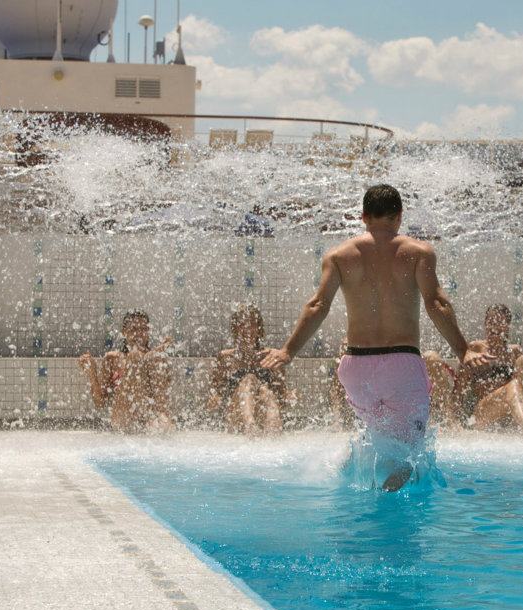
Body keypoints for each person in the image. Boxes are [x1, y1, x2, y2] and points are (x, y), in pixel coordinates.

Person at [260, 184, 491, 491]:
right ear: (399, 216)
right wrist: (463, 351)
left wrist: (288, 350)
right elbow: (436, 303)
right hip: (401, 365)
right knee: (410, 455)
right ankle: (384, 511)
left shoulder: (340, 256)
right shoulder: (419, 253)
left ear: (364, 216)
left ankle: (343, 482)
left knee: (375, 436)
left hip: (356, 367)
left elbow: (317, 305)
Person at [426, 304, 523, 432]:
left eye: (499, 322)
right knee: (513, 385)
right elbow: (459, 392)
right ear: (485, 324)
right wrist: (456, 424)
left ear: (507, 326)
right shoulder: (475, 349)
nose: (494, 326)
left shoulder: (514, 352)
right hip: (483, 411)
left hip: (509, 413)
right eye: (490, 321)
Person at [78, 310, 174, 433]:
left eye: (144, 329)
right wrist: (92, 373)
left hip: (152, 423)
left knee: (153, 359)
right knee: (135, 356)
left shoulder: (157, 361)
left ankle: (162, 427)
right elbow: (99, 403)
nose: (139, 334)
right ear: (124, 332)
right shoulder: (112, 359)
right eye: (133, 329)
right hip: (124, 422)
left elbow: (162, 399)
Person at [206, 305, 294, 435]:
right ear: (235, 328)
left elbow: (282, 394)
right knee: (249, 379)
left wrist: (290, 395)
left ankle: (268, 433)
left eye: (252, 323)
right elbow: (216, 392)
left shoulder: (271, 356)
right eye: (242, 323)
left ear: (259, 329)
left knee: (266, 392)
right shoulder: (225, 358)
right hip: (236, 415)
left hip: (264, 413)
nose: (247, 328)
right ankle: (252, 427)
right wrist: (214, 398)